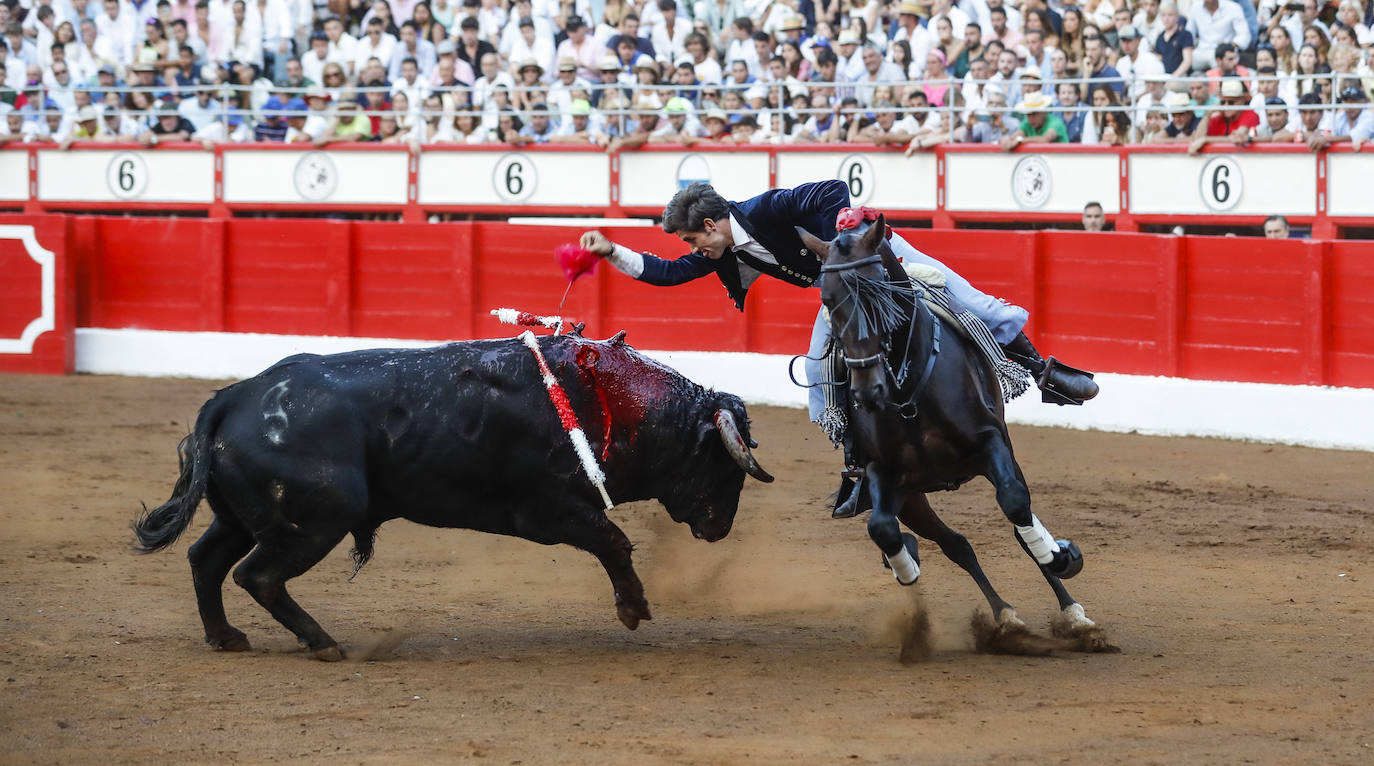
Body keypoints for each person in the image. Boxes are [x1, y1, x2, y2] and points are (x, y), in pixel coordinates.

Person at [578, 182, 1099, 519]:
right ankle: (857, 466)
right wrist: (611, 252)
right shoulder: (727, 249)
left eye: (693, 241)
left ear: (710, 225)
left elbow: (832, 190)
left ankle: (1043, 372)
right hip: (842, 291)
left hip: (881, 260)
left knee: (973, 302)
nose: (694, 251)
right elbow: (668, 274)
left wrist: (841, 244)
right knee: (819, 374)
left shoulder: (771, 208)